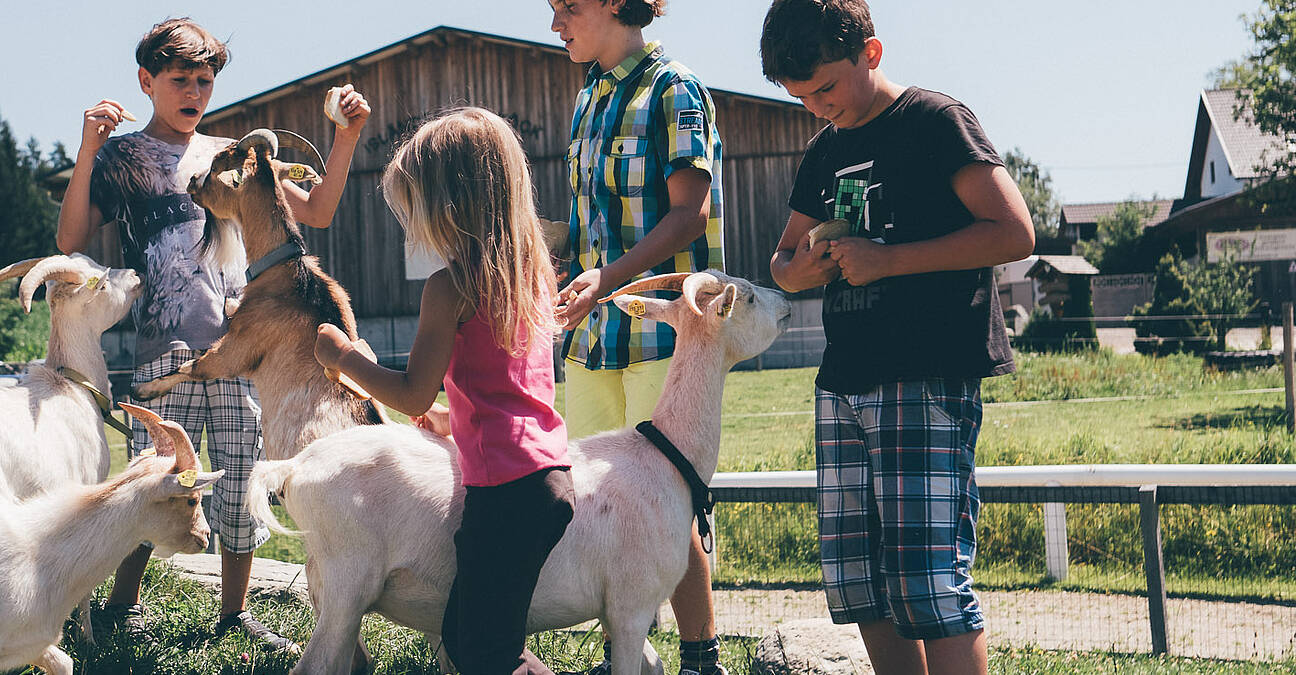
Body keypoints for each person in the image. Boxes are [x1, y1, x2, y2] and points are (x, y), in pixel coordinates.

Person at [54, 17, 372, 651]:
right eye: (179, 79)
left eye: (204, 79)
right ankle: (123, 603)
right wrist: (88, 149)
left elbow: (318, 212)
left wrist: (345, 140)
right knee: (155, 482)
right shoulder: (122, 159)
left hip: (241, 349)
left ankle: (233, 613)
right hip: (163, 349)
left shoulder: (232, 156)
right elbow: (69, 240)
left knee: (239, 480)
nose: (194, 91)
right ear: (146, 81)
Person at [761, 1, 1035, 672]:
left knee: (927, 583)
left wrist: (888, 259)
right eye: (801, 98)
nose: (817, 108)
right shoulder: (826, 148)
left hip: (927, 375)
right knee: (862, 584)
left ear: (871, 53)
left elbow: (1014, 233)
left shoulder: (936, 122)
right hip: (843, 383)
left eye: (825, 88)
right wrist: (799, 271)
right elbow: (781, 261)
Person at [315, 107, 573, 675]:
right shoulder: (528, 272)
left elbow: (406, 393)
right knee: (468, 640)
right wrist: (449, 417)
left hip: (505, 494)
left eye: (415, 206)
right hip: (544, 477)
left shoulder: (450, 285)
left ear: (450, 203)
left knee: (483, 653)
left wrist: (345, 357)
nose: (414, 225)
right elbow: (510, 391)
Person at [547, 0, 725, 672]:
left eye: (568, 7)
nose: (556, 22)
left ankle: (701, 654)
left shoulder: (673, 89)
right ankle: (631, 652)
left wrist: (607, 276)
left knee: (664, 507)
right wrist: (567, 272)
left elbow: (688, 216)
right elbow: (591, 222)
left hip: (662, 340)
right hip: (593, 340)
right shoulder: (588, 96)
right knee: (597, 502)